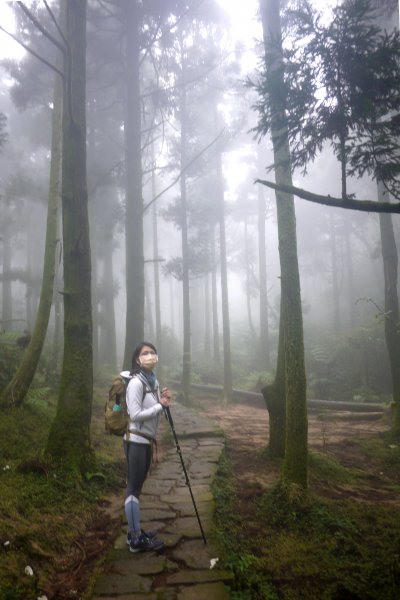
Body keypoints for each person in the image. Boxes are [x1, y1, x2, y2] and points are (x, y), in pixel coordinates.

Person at [123, 341, 171, 553]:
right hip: (136, 441)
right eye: (145, 353)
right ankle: (135, 539)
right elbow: (135, 415)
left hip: (146, 441)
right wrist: (161, 406)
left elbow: (151, 407)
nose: (150, 355)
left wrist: (161, 400)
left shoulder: (152, 381)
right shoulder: (135, 383)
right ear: (137, 359)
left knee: (137, 487)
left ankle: (135, 531)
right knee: (133, 488)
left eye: (153, 351)